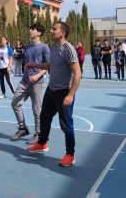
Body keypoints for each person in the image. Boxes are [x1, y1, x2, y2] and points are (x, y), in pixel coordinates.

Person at [26, 22, 81, 167]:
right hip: (51, 90)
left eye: (54, 29)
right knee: (44, 117)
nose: (51, 31)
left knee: (66, 125)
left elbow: (77, 73)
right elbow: (51, 66)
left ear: (62, 33)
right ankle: (42, 143)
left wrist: (70, 94)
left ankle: (70, 154)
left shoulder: (68, 49)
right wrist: (35, 65)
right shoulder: (54, 47)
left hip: (64, 92)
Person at [10, 24, 50, 144]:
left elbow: (48, 65)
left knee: (36, 110)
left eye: (33, 29)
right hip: (25, 81)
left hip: (37, 82)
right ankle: (22, 128)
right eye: (30, 29)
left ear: (39, 33)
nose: (30, 31)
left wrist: (38, 75)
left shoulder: (44, 47)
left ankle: (38, 133)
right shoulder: (27, 47)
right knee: (15, 104)